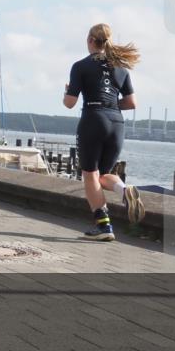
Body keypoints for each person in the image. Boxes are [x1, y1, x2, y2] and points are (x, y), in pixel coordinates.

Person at [63, 23, 144, 241]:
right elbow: (131, 102)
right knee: (104, 173)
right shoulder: (121, 68)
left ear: (90, 40)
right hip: (116, 122)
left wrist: (66, 93)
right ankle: (123, 190)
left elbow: (70, 103)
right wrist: (111, 102)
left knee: (90, 173)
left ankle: (104, 226)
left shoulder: (80, 66)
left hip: (93, 118)